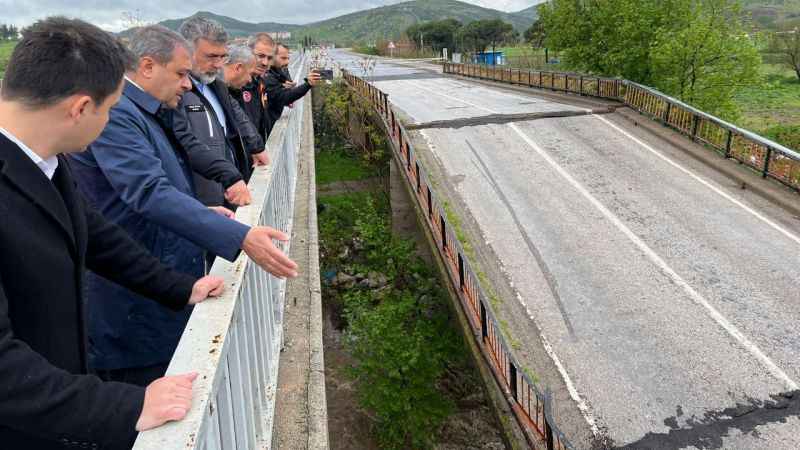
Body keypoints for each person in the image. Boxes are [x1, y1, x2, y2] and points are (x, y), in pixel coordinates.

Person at [0, 17, 226, 449]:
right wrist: (126, 406)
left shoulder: (46, 158)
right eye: (107, 110)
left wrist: (181, 288)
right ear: (81, 108)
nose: (107, 124)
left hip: (58, 403)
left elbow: (98, 237)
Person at [69, 25, 299, 388]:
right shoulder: (118, 115)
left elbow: (151, 186)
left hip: (158, 285)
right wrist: (240, 236)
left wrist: (202, 211)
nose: (188, 84)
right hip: (134, 305)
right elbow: (147, 192)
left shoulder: (146, 110)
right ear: (147, 66)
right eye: (180, 73)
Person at [175, 17, 268, 208]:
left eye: (222, 56)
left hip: (227, 189)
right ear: (184, 50)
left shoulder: (214, 85)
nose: (218, 64)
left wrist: (257, 146)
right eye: (211, 56)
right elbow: (185, 142)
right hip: (202, 201)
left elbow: (238, 117)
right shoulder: (174, 92)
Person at [264, 43, 321, 137]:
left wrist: (284, 85)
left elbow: (288, 86)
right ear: (271, 57)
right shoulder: (267, 76)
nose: (287, 62)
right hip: (269, 126)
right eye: (283, 58)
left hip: (274, 118)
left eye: (288, 58)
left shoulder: (280, 70)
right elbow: (283, 97)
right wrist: (308, 84)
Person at [229, 32, 274, 142]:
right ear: (248, 52)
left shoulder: (260, 82)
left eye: (269, 58)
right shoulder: (235, 84)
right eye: (261, 56)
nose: (265, 62)